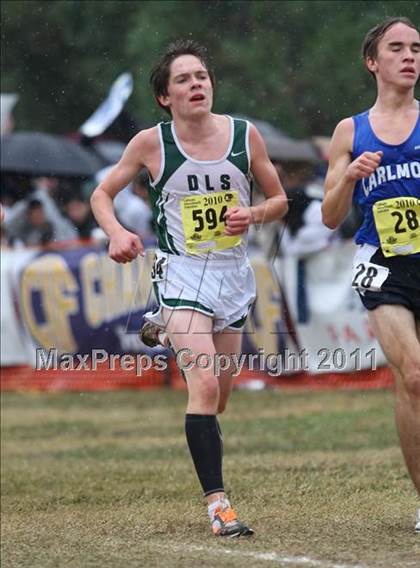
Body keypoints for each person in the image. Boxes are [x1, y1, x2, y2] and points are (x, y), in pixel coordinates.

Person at [90, 39, 288, 537]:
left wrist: (255, 213)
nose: (196, 84)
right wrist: (116, 232)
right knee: (200, 385)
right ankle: (220, 508)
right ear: (165, 96)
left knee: (219, 397)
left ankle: (161, 326)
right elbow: (101, 194)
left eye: (201, 76)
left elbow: (280, 199)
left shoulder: (246, 135)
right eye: (184, 79)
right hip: (180, 273)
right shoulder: (151, 144)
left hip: (232, 276)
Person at [322, 17, 420, 532]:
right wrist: (351, 175)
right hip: (382, 263)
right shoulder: (350, 131)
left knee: (415, 386)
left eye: (416, 48)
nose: (409, 57)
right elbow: (330, 215)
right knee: (416, 375)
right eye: (397, 48)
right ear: (372, 62)